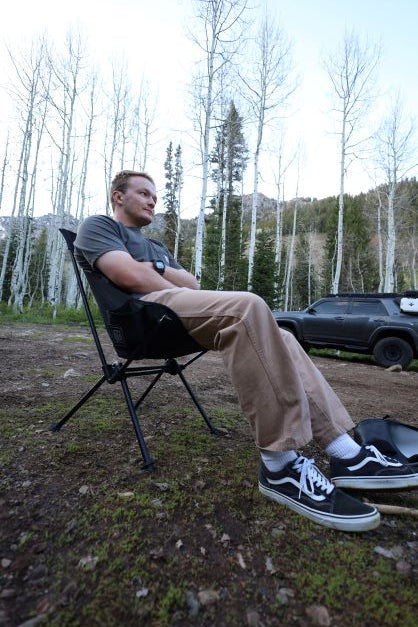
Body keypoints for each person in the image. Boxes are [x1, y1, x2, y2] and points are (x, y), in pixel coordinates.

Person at [74, 170, 418, 533]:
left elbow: (191, 283)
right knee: (247, 307)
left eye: (155, 196)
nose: (152, 201)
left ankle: (346, 453)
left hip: (176, 312)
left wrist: (154, 266)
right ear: (118, 197)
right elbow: (127, 276)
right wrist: (156, 275)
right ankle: (280, 464)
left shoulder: (156, 246)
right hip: (144, 319)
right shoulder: (99, 226)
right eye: (144, 193)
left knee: (282, 336)